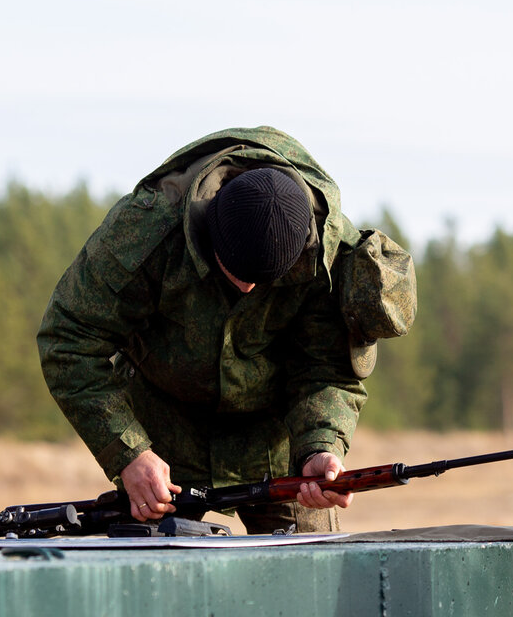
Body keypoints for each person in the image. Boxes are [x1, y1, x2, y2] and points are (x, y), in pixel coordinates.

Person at [37, 127, 415, 534]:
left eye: (263, 280)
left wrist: (321, 446)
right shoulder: (146, 231)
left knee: (312, 580)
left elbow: (327, 369)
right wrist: (129, 453)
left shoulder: (328, 258)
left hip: (278, 447)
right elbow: (69, 339)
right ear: (210, 230)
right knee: (153, 583)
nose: (248, 289)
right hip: (164, 438)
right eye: (234, 273)